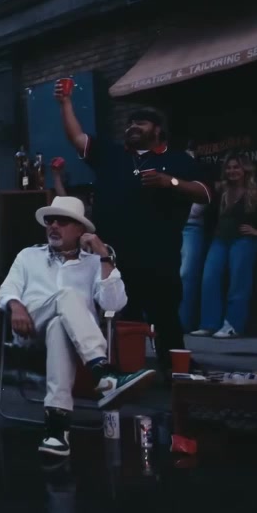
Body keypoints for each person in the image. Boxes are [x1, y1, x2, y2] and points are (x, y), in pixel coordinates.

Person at [55, 83, 210, 373]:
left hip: (159, 254)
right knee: (124, 313)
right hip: (114, 254)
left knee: (165, 314)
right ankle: (129, 369)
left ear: (157, 130)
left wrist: (170, 182)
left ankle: (174, 368)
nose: (132, 127)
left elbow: (205, 193)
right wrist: (65, 103)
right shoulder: (112, 154)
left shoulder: (177, 160)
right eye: (129, 123)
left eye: (140, 122)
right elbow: (77, 138)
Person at [0, 196, 155, 458]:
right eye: (50, 221)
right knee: (67, 296)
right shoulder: (28, 256)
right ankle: (104, 374)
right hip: (30, 326)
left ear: (80, 229)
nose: (53, 226)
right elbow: (6, 290)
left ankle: (57, 429)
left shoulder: (94, 263)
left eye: (62, 221)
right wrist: (15, 305)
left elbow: (114, 304)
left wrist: (104, 255)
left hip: (71, 336)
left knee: (59, 326)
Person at [194, 152, 257, 339]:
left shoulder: (255, 189)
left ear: (245, 169)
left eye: (236, 167)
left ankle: (232, 325)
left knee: (238, 282)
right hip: (220, 239)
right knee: (209, 279)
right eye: (229, 168)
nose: (232, 171)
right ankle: (209, 324)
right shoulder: (222, 188)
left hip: (243, 240)